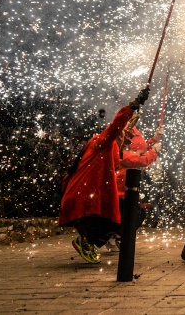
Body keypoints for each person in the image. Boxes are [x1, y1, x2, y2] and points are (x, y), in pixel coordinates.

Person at [59, 87, 150, 264]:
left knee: (133, 213)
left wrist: (152, 144)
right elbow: (116, 126)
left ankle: (91, 241)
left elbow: (135, 158)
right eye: (125, 136)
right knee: (128, 214)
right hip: (85, 198)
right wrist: (134, 105)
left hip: (92, 198)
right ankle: (87, 241)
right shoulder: (102, 142)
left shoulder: (113, 150)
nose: (127, 142)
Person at [107, 119, 162, 251]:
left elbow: (140, 151)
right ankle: (113, 236)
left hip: (125, 189)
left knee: (137, 213)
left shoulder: (123, 147)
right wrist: (154, 151)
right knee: (130, 215)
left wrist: (154, 139)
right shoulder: (119, 151)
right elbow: (140, 159)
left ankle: (116, 236)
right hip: (119, 190)